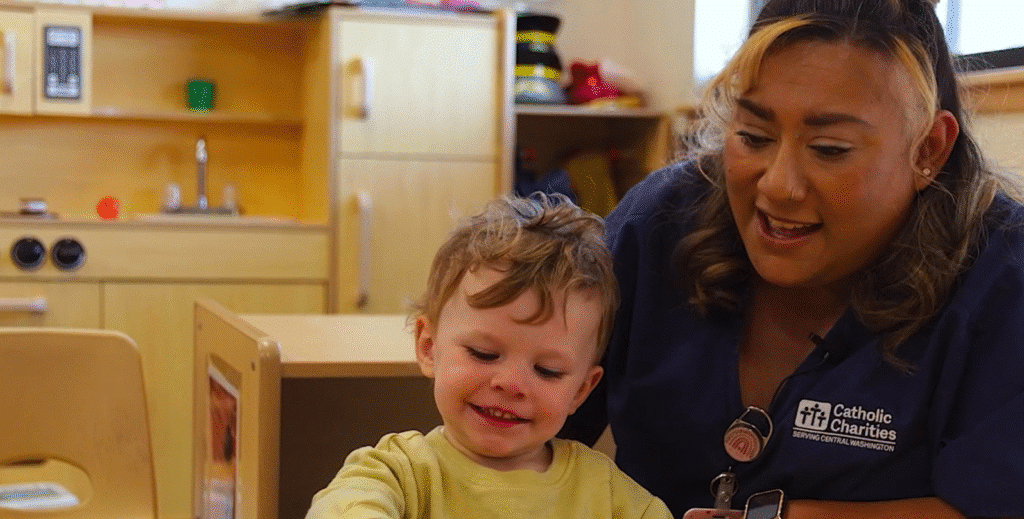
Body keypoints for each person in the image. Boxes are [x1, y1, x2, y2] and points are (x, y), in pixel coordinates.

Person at [561, 0, 1024, 518]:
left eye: (829, 149)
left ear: (928, 150)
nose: (778, 186)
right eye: (753, 137)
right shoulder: (660, 223)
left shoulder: (1003, 277)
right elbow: (521, 418)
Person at [306, 194, 673, 519]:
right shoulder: (397, 473)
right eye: (483, 354)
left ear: (581, 390)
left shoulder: (607, 494)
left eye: (547, 370)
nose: (511, 384)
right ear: (429, 346)